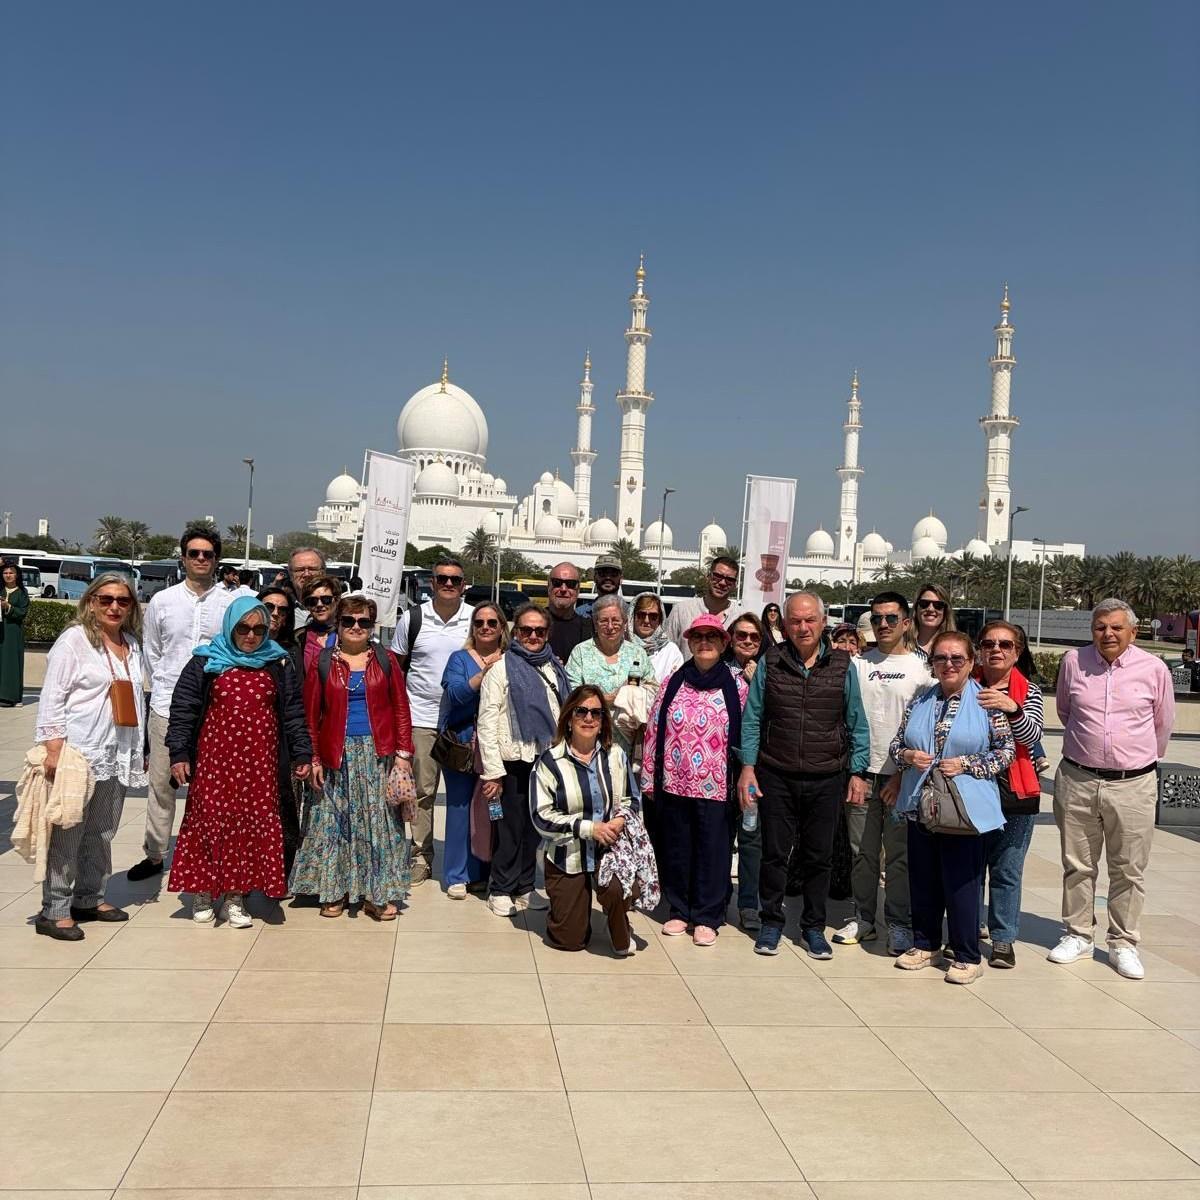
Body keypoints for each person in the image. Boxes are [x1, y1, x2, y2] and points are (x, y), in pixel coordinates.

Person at [738, 592, 869, 959]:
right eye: (795, 620)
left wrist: (857, 772)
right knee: (774, 854)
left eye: (810, 620)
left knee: (818, 857)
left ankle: (813, 926)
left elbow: (857, 721)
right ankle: (771, 922)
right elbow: (753, 718)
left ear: (823, 622)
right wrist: (748, 767)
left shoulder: (843, 665)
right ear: (784, 624)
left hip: (827, 776)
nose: (803, 627)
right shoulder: (772, 661)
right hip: (776, 773)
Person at [165, 597, 312, 927]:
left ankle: (235, 895)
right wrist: (179, 753)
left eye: (259, 629)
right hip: (215, 763)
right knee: (207, 821)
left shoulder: (277, 663)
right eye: (243, 628)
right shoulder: (206, 661)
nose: (251, 635)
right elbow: (184, 709)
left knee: (247, 828)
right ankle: (202, 891)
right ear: (231, 626)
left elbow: (292, 713)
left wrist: (302, 752)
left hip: (259, 766)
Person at [1049, 598, 1175, 980]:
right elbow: (1066, 711)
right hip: (1078, 778)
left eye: (1117, 627)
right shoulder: (1074, 662)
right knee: (1077, 865)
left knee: (1128, 870)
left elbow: (1162, 725)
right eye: (1101, 627)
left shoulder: (1154, 669)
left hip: (1133, 784)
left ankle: (1122, 943)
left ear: (1133, 632)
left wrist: (1129, 758)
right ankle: (1078, 934)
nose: (1108, 634)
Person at [127, 525, 249, 883]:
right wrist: (168, 690)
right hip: (167, 707)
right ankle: (154, 854)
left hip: (216, 712)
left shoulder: (229, 603)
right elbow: (152, 655)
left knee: (213, 789)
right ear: (183, 558)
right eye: (194, 553)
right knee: (162, 785)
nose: (200, 559)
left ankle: (212, 853)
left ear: (216, 560)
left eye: (207, 554)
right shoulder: (163, 602)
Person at [890, 630, 1013, 984]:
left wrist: (967, 764)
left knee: (961, 883)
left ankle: (966, 954)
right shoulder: (920, 700)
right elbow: (897, 745)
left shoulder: (988, 702)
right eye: (941, 658)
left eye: (957, 658)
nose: (948, 665)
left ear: (971, 662)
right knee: (923, 878)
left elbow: (1006, 752)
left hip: (964, 808)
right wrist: (909, 756)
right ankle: (925, 944)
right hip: (921, 803)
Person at [34, 574, 147, 940]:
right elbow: (52, 696)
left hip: (117, 750)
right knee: (69, 830)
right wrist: (53, 747)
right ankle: (55, 909)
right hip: (80, 751)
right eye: (106, 599)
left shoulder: (131, 643)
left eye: (123, 601)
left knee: (102, 830)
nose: (114, 607)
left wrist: (139, 747)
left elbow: (136, 702)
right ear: (91, 601)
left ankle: (89, 896)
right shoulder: (74, 641)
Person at [294, 594, 415, 919]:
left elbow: (401, 709)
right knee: (336, 825)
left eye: (364, 622)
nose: (356, 627)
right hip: (337, 754)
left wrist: (404, 754)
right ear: (338, 623)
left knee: (378, 826)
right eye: (349, 621)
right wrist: (315, 758)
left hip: (379, 755)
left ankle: (377, 895)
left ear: (372, 626)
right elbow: (311, 716)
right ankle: (336, 890)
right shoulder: (323, 662)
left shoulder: (385, 660)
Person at [834, 592, 930, 955]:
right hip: (861, 775)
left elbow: (924, 730)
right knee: (862, 853)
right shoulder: (857, 665)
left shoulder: (922, 671)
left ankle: (900, 923)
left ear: (906, 623)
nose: (884, 625)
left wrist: (902, 775)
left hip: (902, 780)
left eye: (891, 618)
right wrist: (854, 771)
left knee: (900, 856)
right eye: (877, 619)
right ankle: (864, 917)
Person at [644, 614, 747, 946]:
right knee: (676, 847)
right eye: (698, 636)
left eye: (712, 637)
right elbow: (654, 728)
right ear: (689, 641)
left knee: (713, 850)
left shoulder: (737, 685)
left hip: (717, 785)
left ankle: (707, 914)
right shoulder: (675, 680)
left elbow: (749, 735)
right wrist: (650, 776)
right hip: (674, 781)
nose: (705, 642)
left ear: (723, 643)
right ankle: (679, 909)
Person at [532, 683, 642, 955]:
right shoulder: (549, 761)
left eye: (596, 713)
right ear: (569, 718)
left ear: (604, 720)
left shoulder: (615, 755)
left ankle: (618, 921)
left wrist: (619, 821)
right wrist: (588, 829)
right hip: (567, 855)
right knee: (569, 941)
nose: (589, 719)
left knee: (618, 888)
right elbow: (540, 816)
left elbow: (632, 800)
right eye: (581, 712)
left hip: (610, 849)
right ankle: (570, 909)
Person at [477, 604, 568, 917]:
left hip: (544, 762)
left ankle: (526, 885)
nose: (532, 636)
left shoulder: (554, 666)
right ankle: (500, 888)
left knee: (534, 830)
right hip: (510, 763)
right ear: (515, 633)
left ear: (546, 634)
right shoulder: (502, 669)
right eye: (526, 630)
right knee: (509, 829)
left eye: (539, 631)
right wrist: (492, 773)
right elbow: (487, 721)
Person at [389, 556, 474, 885]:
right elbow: (397, 669)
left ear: (463, 584)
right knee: (423, 792)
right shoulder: (413, 619)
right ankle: (421, 856)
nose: (449, 584)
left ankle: (466, 862)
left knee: (462, 796)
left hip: (462, 722)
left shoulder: (474, 620)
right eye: (442, 579)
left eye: (455, 579)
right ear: (432, 583)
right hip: (421, 718)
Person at [974, 619, 1045, 968]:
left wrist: (1011, 707)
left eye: (1005, 645)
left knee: (1006, 870)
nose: (996, 650)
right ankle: (967, 932)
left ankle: (1003, 939)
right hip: (971, 791)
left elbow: (1032, 737)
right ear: (979, 650)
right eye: (989, 644)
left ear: (1017, 653)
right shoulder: (965, 686)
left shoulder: (1028, 691)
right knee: (969, 869)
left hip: (1015, 793)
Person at [438, 601, 507, 898]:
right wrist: (483, 675)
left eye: (492, 623)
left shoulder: (511, 658)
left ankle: (484, 872)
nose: (486, 628)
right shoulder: (459, 658)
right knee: (459, 809)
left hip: (498, 747)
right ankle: (456, 874)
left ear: (502, 627)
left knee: (493, 811)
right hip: (463, 745)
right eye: (479, 623)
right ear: (473, 628)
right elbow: (454, 693)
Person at [565, 595, 658, 757]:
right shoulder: (580, 652)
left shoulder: (637, 653)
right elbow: (571, 695)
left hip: (627, 744)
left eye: (616, 620)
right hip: (588, 742)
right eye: (603, 621)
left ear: (625, 623)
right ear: (595, 624)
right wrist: (611, 698)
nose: (610, 626)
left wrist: (634, 697)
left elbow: (654, 690)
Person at [723, 612, 766, 931]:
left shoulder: (769, 672)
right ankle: (718, 896)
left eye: (754, 637)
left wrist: (756, 681)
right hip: (720, 765)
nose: (748, 641)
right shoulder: (719, 671)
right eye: (741, 635)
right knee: (720, 835)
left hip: (754, 767)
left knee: (750, 837)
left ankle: (749, 902)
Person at [663, 556, 740, 653]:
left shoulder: (740, 617)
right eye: (718, 576)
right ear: (708, 577)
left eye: (729, 579)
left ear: (735, 585)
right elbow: (665, 651)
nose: (722, 583)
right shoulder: (681, 610)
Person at [630, 592, 683, 686]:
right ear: (632, 617)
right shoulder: (621, 647)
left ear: (660, 619)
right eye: (641, 615)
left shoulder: (671, 651)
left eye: (653, 617)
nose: (646, 621)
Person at [545, 561, 592, 664]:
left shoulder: (589, 629)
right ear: (548, 587)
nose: (563, 589)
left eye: (570, 584)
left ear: (578, 590)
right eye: (557, 583)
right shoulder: (530, 625)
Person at [1, 559, 30, 706]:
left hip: (13, 632)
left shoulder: (22, 593)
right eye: (5, 572)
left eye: (11, 573)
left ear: (17, 575)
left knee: (12, 663)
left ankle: (11, 697)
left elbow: (22, 612)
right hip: (0, 631)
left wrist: (8, 607)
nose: (8, 575)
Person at [912, 582, 955, 660]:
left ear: (945, 611)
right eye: (924, 603)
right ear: (916, 608)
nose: (930, 609)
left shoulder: (958, 647)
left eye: (938, 605)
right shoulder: (899, 646)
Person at [287, 546, 326, 628]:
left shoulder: (339, 609)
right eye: (300, 570)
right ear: (291, 575)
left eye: (312, 569)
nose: (307, 574)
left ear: (323, 572)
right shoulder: (279, 609)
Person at [583, 553, 627, 617]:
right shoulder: (580, 614)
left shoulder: (631, 614)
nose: (608, 578)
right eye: (602, 573)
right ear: (595, 577)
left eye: (614, 574)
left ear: (621, 579)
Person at [258, 585, 296, 649]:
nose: (275, 613)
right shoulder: (244, 643)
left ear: (286, 620)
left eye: (282, 610)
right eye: (269, 607)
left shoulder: (291, 651)